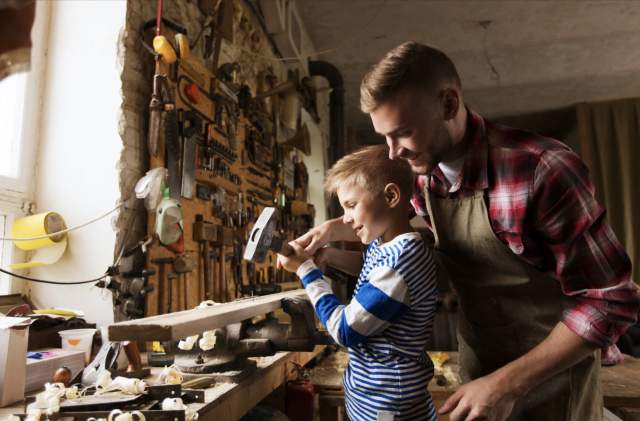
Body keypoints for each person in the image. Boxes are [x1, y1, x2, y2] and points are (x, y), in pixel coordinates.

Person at [295, 42, 640, 421]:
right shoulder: (424, 180)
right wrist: (337, 233)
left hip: (551, 386)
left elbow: (611, 301)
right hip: (478, 377)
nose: (393, 153)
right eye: (385, 137)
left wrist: (507, 384)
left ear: (448, 104)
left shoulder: (542, 169)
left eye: (404, 132)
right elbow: (418, 258)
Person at [278, 145, 439, 420]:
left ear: (390, 196)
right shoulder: (388, 244)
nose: (347, 218)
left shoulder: (399, 262)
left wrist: (307, 271)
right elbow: (372, 271)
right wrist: (329, 256)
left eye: (352, 205)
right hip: (374, 392)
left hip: (387, 401)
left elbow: (344, 330)